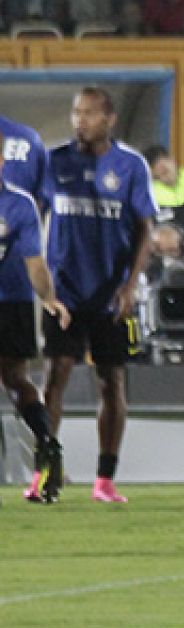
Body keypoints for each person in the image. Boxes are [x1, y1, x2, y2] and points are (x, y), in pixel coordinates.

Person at [34, 89, 156, 505]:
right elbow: (32, 216)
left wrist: (130, 285)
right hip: (64, 293)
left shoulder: (130, 166)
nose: (80, 120)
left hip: (110, 294)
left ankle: (105, 478)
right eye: (76, 112)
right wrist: (43, 285)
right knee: (55, 376)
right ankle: (45, 471)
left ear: (110, 119)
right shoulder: (54, 162)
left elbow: (145, 230)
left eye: (89, 113)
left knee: (111, 380)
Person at [0, 112, 61, 492]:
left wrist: (49, 297)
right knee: (17, 379)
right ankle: (47, 442)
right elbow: (35, 265)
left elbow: (38, 265)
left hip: (12, 300)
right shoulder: (21, 204)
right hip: (16, 301)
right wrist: (49, 299)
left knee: (16, 379)